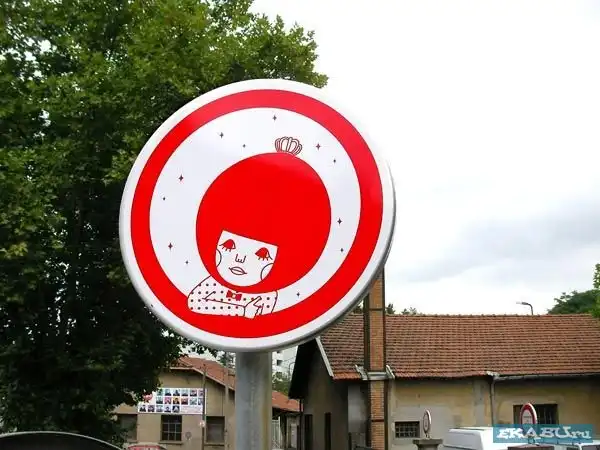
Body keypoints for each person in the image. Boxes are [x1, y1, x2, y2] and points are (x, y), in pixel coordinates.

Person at [188, 136, 331, 318]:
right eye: (229, 245)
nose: (240, 259)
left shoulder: (267, 296)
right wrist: (241, 311)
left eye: (261, 255)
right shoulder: (213, 283)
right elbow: (194, 302)